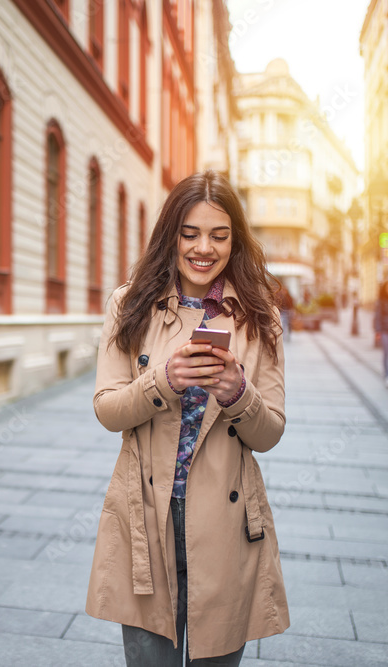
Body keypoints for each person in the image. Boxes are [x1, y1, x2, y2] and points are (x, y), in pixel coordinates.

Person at [87, 171, 290, 666]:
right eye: (190, 233)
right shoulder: (130, 303)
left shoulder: (260, 314)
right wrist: (165, 380)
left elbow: (270, 433)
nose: (204, 248)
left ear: (235, 242)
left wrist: (238, 394)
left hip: (226, 525)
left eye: (219, 236)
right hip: (145, 518)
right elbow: (108, 409)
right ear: (170, 235)